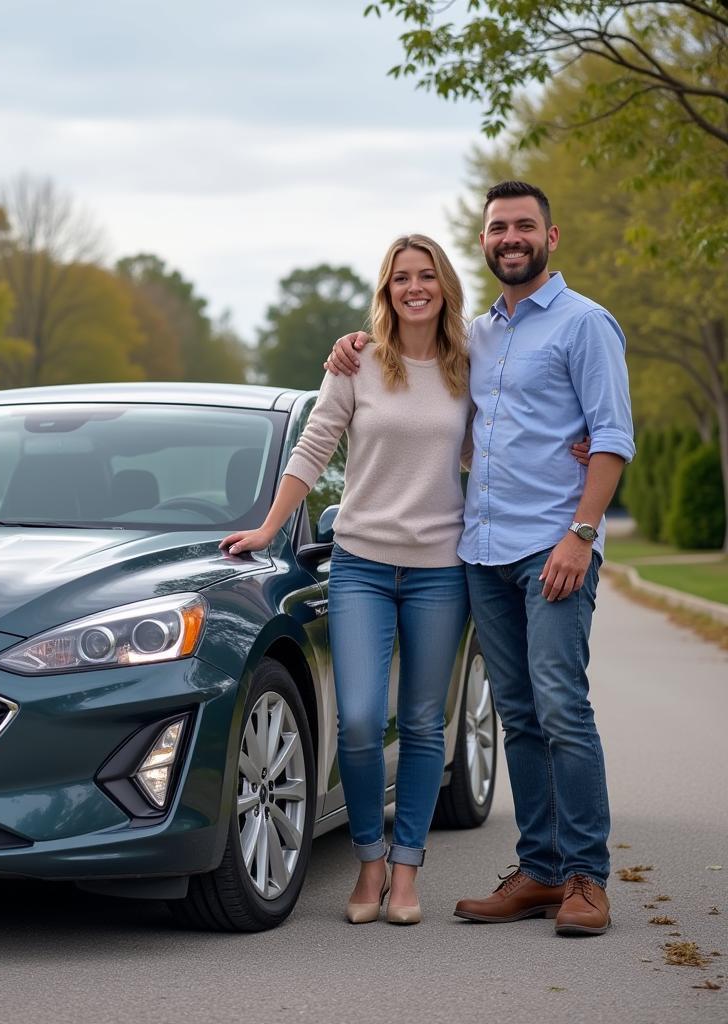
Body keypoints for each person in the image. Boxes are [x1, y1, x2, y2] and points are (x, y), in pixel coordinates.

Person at [325, 181, 635, 936]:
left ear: (550, 238)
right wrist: (352, 345)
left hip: (552, 548)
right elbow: (453, 421)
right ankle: (539, 869)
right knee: (520, 714)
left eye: (524, 225)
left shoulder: (585, 323)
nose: (511, 237)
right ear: (487, 242)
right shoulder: (479, 337)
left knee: (562, 704)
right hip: (481, 551)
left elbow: (613, 436)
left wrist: (582, 533)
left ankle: (587, 880)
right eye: (499, 227)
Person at [222, 234, 474, 926]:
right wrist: (270, 528)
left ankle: (405, 870)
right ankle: (368, 860)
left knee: (423, 723)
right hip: (360, 563)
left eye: (426, 276)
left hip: (439, 572)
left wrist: (570, 451)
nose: (414, 287)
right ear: (387, 289)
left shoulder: (468, 366)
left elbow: (496, 449)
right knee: (361, 721)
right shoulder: (358, 361)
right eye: (401, 278)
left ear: (444, 285)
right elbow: (314, 446)